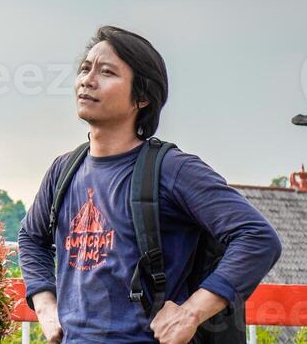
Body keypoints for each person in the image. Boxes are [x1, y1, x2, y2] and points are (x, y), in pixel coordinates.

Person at [17, 26, 282, 344]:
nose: (88, 80)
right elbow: (31, 238)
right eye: (85, 69)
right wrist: (46, 306)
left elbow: (257, 237)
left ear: (142, 98)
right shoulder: (64, 170)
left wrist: (191, 312)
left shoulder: (173, 169)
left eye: (107, 72)